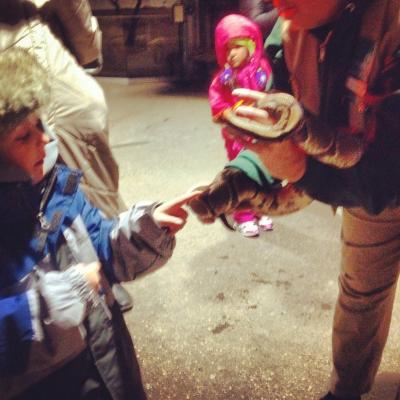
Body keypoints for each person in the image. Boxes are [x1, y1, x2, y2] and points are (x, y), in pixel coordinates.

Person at [189, 0, 400, 399]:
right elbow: (280, 125)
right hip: (362, 184)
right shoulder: (288, 30)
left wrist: (304, 171)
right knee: (361, 294)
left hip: (379, 172)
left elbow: (386, 176)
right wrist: (243, 177)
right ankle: (345, 392)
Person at [0, 47, 198, 400]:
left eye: (39, 126)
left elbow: (100, 243)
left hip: (107, 369)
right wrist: (60, 301)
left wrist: (145, 230)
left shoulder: (57, 189)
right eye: (23, 136)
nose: (44, 140)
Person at [0, 0, 134, 312]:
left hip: (35, 35)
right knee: (20, 165)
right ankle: (27, 285)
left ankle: (101, 257)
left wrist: (87, 49)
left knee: (79, 120)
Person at [208, 13, 274, 237]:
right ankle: (243, 214)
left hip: (263, 132)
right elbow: (216, 97)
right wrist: (225, 113)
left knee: (267, 170)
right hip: (238, 137)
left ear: (251, 45)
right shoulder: (225, 77)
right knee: (241, 174)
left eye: (237, 47)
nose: (231, 54)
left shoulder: (263, 71)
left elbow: (273, 94)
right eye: (227, 49)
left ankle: (262, 207)